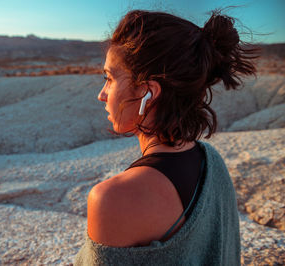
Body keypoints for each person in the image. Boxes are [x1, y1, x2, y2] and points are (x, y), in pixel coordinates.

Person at [74, 9, 257, 265]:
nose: (102, 94)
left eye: (110, 78)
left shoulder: (113, 198)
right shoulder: (213, 162)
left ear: (148, 93)